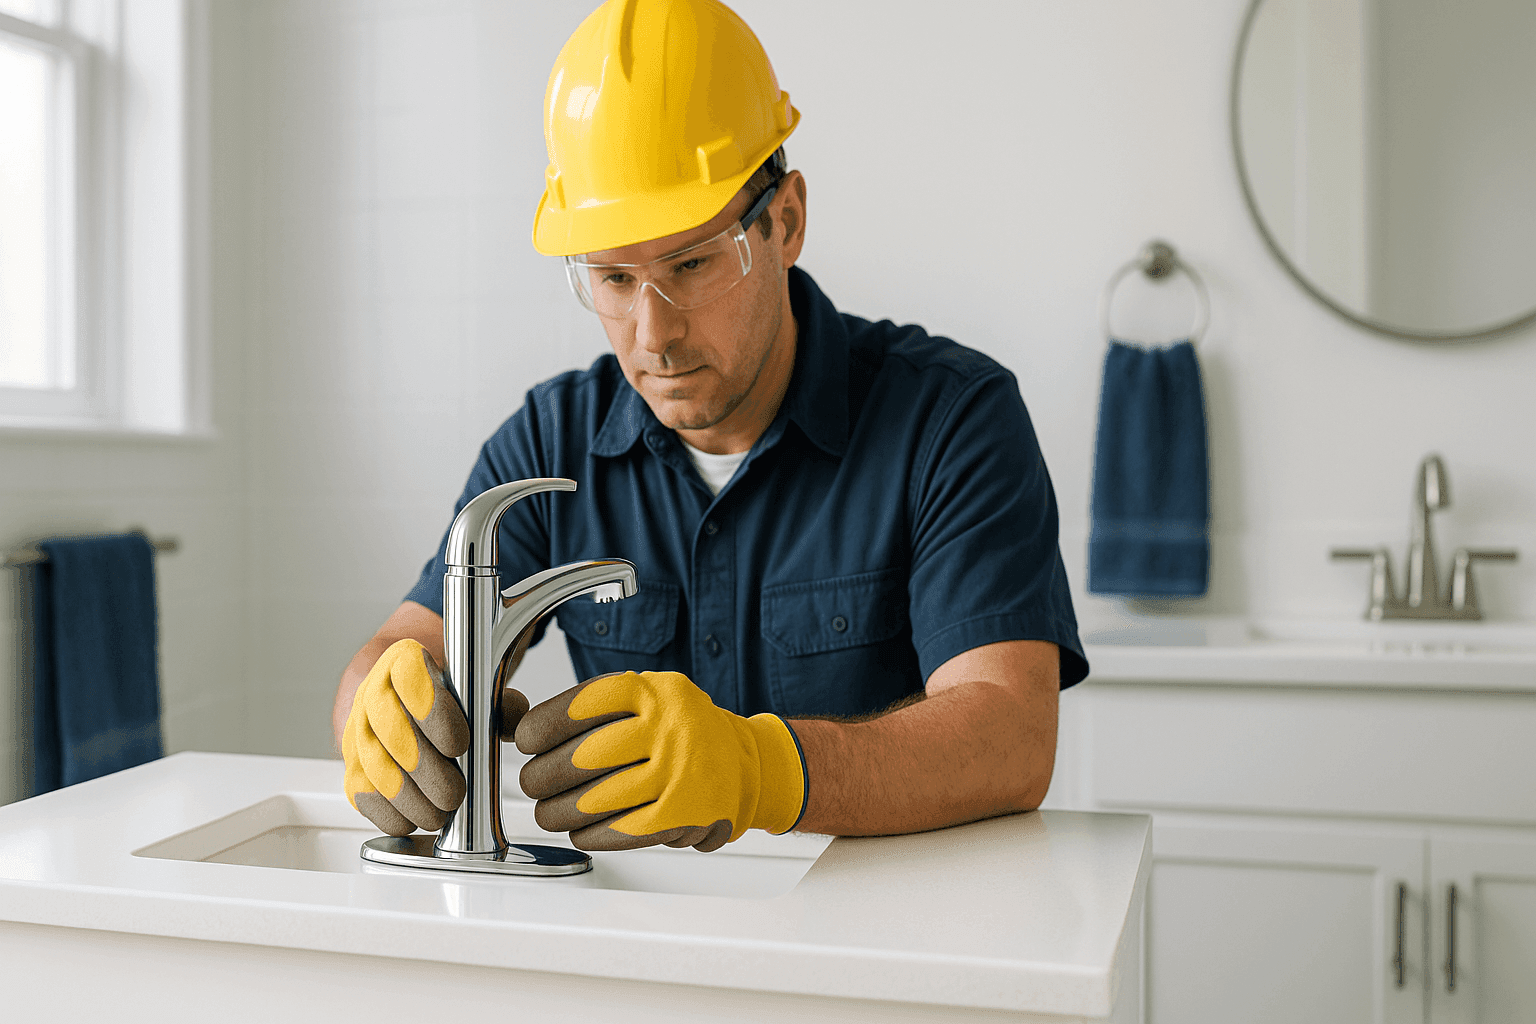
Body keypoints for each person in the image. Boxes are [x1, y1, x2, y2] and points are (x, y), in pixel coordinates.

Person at [334, 0, 1087, 853]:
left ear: (787, 222)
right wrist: (376, 701)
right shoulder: (551, 439)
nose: (654, 336)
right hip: (646, 943)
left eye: (691, 264)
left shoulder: (952, 421)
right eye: (614, 280)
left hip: (888, 940)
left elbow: (1012, 738)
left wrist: (759, 767)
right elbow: (405, 644)